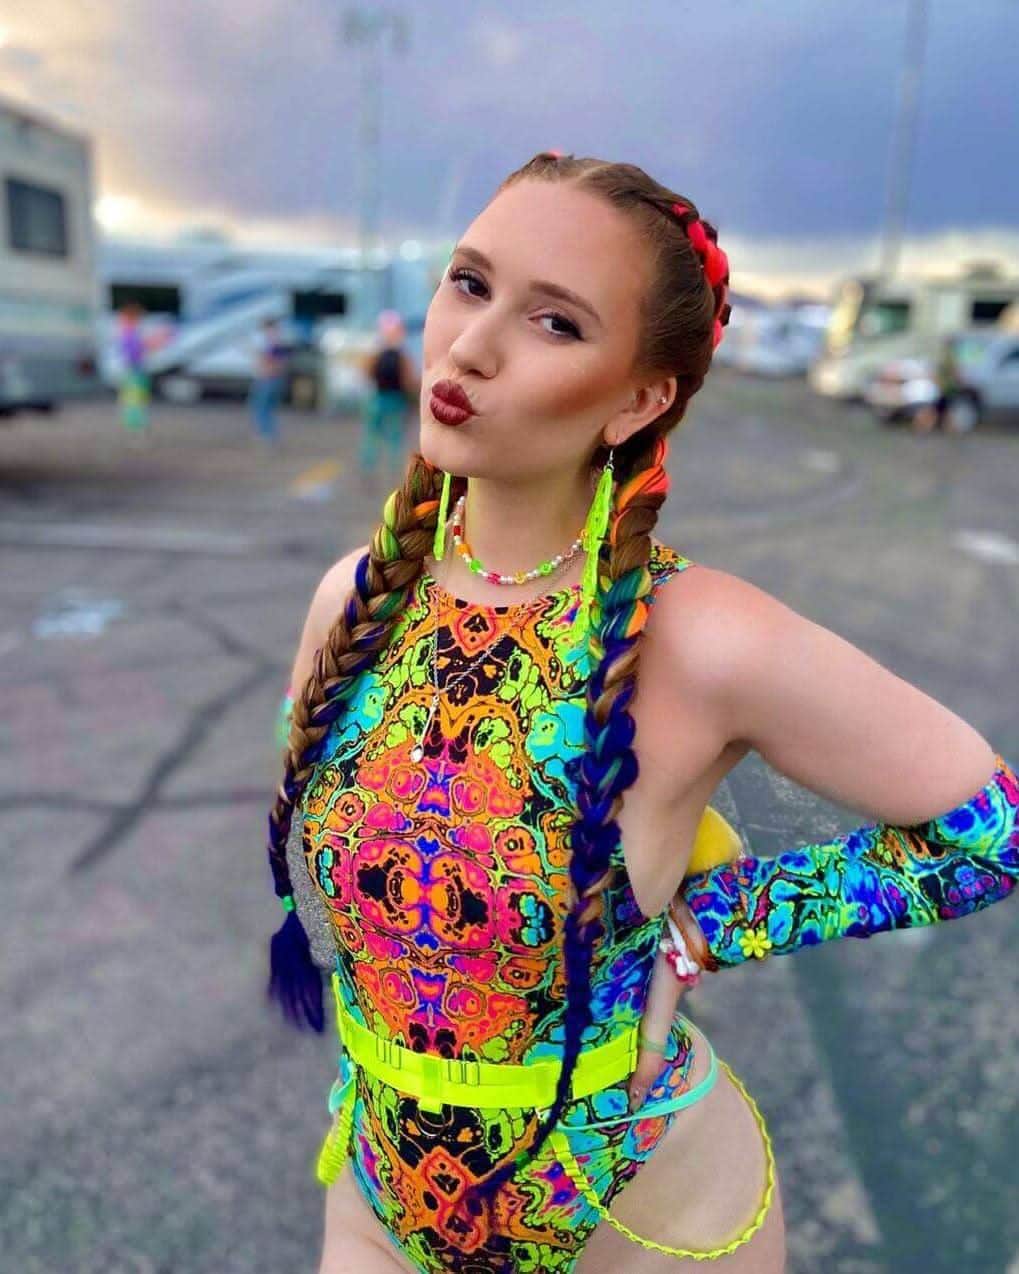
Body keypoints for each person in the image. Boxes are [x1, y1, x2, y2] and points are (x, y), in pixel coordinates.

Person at [264, 152, 1017, 1273]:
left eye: (555, 322)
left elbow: (987, 830)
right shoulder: (353, 597)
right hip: (378, 1197)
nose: (469, 345)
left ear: (639, 395)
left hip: (639, 1216)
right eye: (467, 282)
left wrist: (717, 920)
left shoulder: (704, 635)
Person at [359, 310, 420, 481]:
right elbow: (408, 380)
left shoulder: (376, 353)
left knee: (371, 436)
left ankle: (368, 467)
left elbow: (366, 372)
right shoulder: (402, 356)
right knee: (395, 437)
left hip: (377, 398)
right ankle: (394, 470)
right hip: (395, 400)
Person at [116, 302, 153, 442]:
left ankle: (136, 431)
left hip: (133, 371)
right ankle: (137, 431)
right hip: (135, 371)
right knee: (135, 402)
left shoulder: (129, 334)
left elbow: (135, 352)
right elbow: (138, 351)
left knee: (134, 402)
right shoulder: (131, 334)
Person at [249, 318, 289, 447]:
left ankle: (266, 436)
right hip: (272, 380)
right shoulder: (277, 344)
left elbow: (273, 364)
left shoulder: (273, 345)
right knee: (266, 409)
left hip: (268, 380)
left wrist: (262, 365)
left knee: (262, 408)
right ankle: (268, 435)